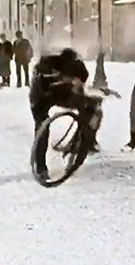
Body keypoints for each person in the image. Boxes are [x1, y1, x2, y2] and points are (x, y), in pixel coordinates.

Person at [29, 47, 102, 179]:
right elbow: (40, 88)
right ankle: (40, 166)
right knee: (42, 127)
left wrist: (76, 86)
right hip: (41, 97)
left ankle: (84, 141)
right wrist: (62, 79)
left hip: (63, 93)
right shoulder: (46, 65)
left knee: (92, 108)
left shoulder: (77, 65)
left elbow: (82, 79)